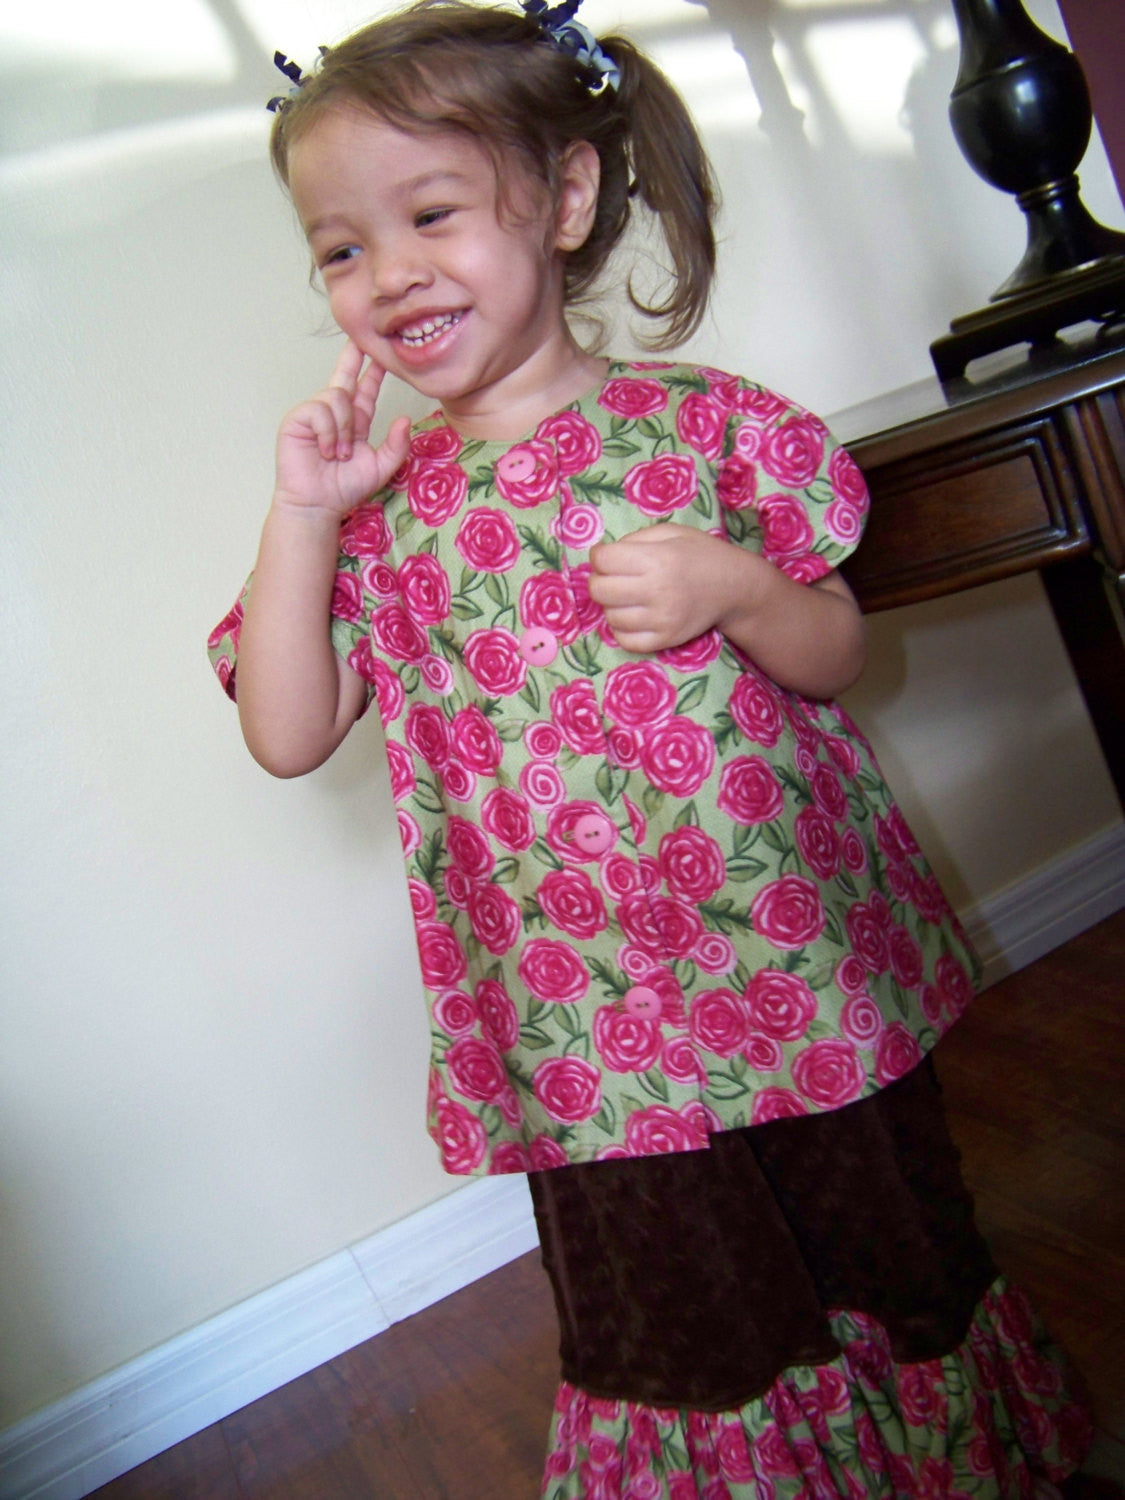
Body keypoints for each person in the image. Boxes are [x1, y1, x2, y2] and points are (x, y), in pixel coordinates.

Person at [208, 2, 1095, 1493]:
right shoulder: (375, 516)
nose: (388, 273)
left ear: (563, 198)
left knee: (892, 1247)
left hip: (796, 966)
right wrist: (303, 511)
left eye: (431, 213)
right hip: (579, 1033)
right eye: (340, 248)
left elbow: (838, 656)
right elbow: (287, 733)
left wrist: (739, 588)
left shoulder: (711, 432)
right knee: (685, 1319)